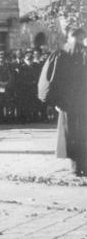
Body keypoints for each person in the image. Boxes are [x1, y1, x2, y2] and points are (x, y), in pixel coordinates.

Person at [38, 27, 87, 176]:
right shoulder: (72, 53)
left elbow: (49, 80)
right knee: (79, 133)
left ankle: (77, 167)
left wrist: (54, 101)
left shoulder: (61, 54)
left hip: (70, 102)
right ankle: (79, 166)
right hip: (77, 101)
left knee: (73, 133)